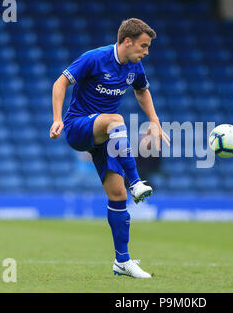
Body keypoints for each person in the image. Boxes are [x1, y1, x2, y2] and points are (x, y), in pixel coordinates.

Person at [49, 18, 170, 279]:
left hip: (107, 136)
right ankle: (136, 181)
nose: (146, 52)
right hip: (78, 127)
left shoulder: (135, 66)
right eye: (143, 46)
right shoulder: (94, 58)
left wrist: (155, 121)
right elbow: (60, 83)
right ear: (127, 41)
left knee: (117, 196)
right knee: (116, 119)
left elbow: (142, 91)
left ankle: (122, 262)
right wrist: (57, 119)